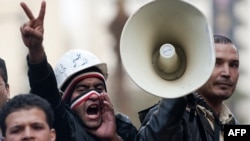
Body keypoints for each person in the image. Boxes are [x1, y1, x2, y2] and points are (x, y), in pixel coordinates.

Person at [19, 1, 137, 141]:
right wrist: (36, 49)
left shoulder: (124, 128)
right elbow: (45, 88)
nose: (93, 95)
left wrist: (113, 138)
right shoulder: (62, 127)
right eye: (82, 89)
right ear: (66, 98)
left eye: (99, 88)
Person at [136, 35, 240, 141]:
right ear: (197, 66)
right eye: (216, 63)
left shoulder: (234, 125)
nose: (226, 73)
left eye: (234, 65)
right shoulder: (170, 116)